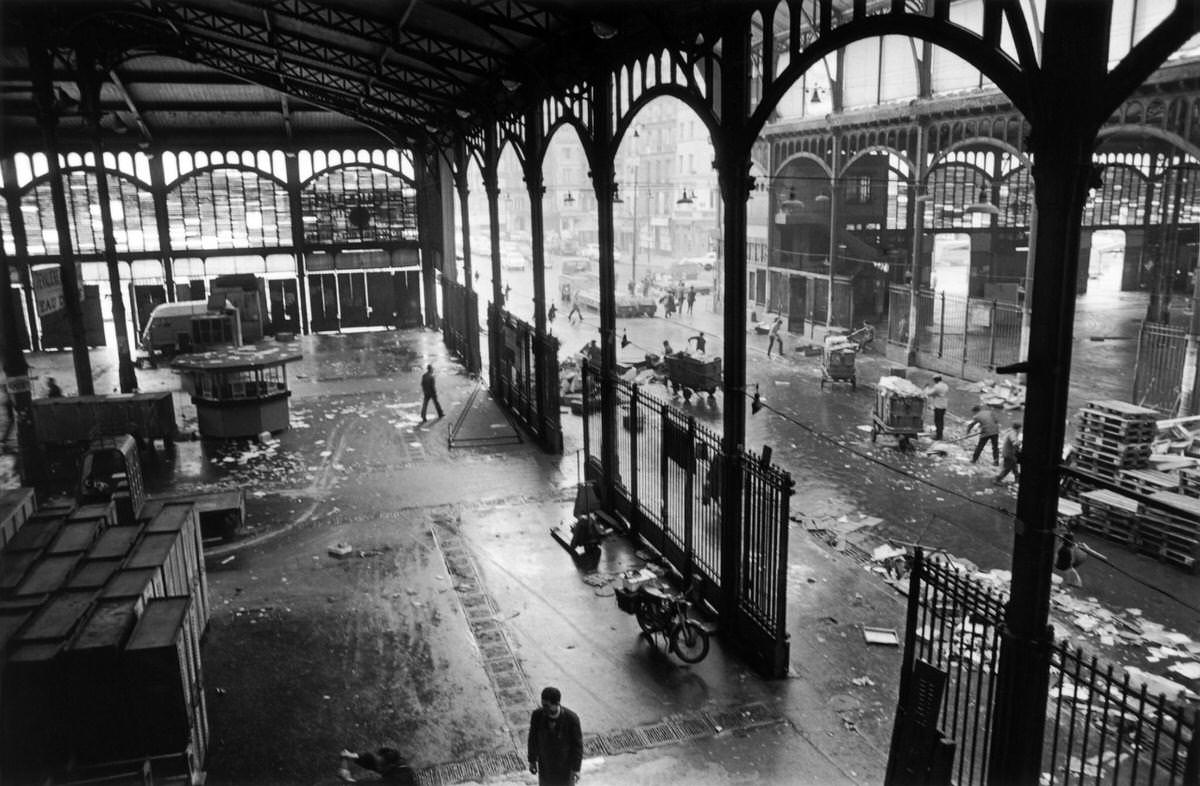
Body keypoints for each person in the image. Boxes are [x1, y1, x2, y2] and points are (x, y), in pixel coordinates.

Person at [528, 686, 582, 786]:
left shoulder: (571, 719)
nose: (543, 708)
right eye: (543, 704)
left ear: (556, 704)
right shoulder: (537, 716)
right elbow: (532, 738)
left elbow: (577, 746)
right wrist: (532, 760)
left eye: (546, 705)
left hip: (565, 769)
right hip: (546, 768)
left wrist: (576, 769)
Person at [338, 747, 415, 784]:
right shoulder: (398, 765)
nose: (377, 767)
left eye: (380, 765)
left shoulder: (395, 780)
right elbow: (372, 760)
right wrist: (352, 755)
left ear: (390, 765)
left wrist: (347, 778)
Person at [923, 375, 949, 441]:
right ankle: (940, 434)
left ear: (935, 380)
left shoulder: (937, 387)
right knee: (941, 421)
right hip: (944, 405)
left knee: (937, 421)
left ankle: (939, 436)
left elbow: (929, 393)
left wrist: (926, 387)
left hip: (938, 406)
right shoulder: (945, 385)